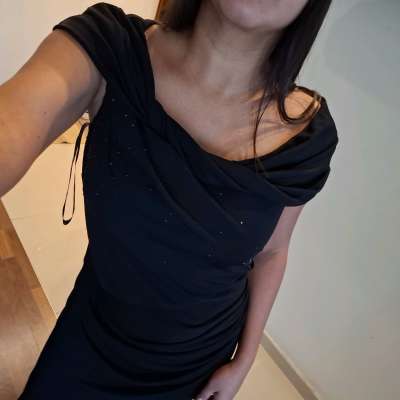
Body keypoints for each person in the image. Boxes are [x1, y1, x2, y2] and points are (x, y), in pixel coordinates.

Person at [0, 1, 338, 399]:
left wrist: (243, 360)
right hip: (95, 338)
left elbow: (272, 252)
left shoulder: (307, 138)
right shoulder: (108, 49)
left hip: (199, 365)